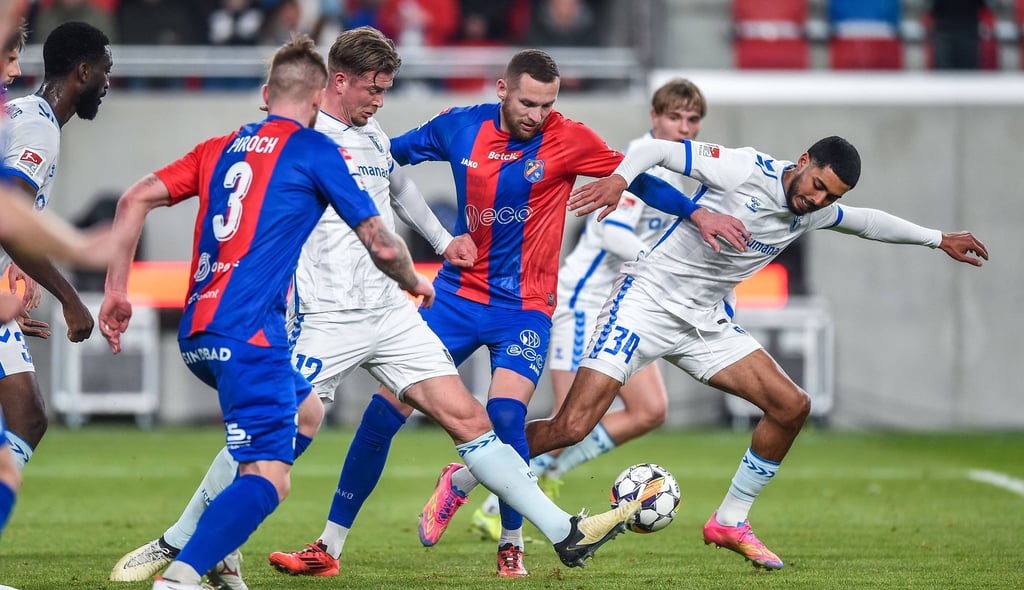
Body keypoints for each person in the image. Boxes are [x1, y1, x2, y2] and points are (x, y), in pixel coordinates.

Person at [103, 33, 642, 590]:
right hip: (329, 316)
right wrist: (413, 276)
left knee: (471, 421)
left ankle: (564, 533)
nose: (381, 101)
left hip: (390, 313)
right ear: (337, 82)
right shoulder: (304, 140)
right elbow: (354, 231)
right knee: (282, 428)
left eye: (386, 90)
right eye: (374, 90)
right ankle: (183, 539)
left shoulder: (367, 132)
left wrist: (441, 240)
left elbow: (398, 183)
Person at [272, 48, 748, 578]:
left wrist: (696, 210)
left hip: (525, 307)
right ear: (502, 90)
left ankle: (511, 543)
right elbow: (388, 158)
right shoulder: (459, 128)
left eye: (547, 105)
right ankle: (329, 548)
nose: (537, 115)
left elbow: (635, 179)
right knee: (385, 412)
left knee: (505, 417)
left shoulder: (570, 137)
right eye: (527, 102)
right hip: (455, 297)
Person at [108, 24, 473, 588]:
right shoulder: (312, 150)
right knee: (271, 478)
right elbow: (379, 240)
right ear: (318, 97)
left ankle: (213, 557)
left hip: (196, 328)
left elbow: (132, 197)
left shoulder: (220, 146)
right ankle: (180, 570)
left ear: (264, 95)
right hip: (252, 332)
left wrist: (115, 291)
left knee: (305, 414)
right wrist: (417, 280)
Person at [524, 135, 988, 570]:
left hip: (703, 323)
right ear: (803, 162)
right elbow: (653, 147)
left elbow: (867, 222)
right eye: (818, 186)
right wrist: (620, 178)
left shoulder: (813, 212)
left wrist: (938, 238)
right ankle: (467, 474)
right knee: (572, 426)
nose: (819, 200)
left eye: (832, 196)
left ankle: (729, 520)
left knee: (791, 406)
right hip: (644, 305)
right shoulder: (745, 169)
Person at [468, 77, 713, 540]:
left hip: (625, 307)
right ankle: (488, 497)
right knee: (569, 421)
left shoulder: (686, 168)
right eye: (674, 117)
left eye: (692, 119)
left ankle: (542, 477)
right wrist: (654, 261)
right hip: (583, 301)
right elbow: (612, 232)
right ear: (654, 118)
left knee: (650, 410)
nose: (683, 127)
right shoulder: (643, 160)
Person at [0, 20, 110, 480]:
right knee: (27, 418)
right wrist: (70, 298)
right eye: (105, 71)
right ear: (82, 72)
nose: (107, 84)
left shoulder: (23, 113)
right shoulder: (39, 130)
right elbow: (11, 221)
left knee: (27, 417)